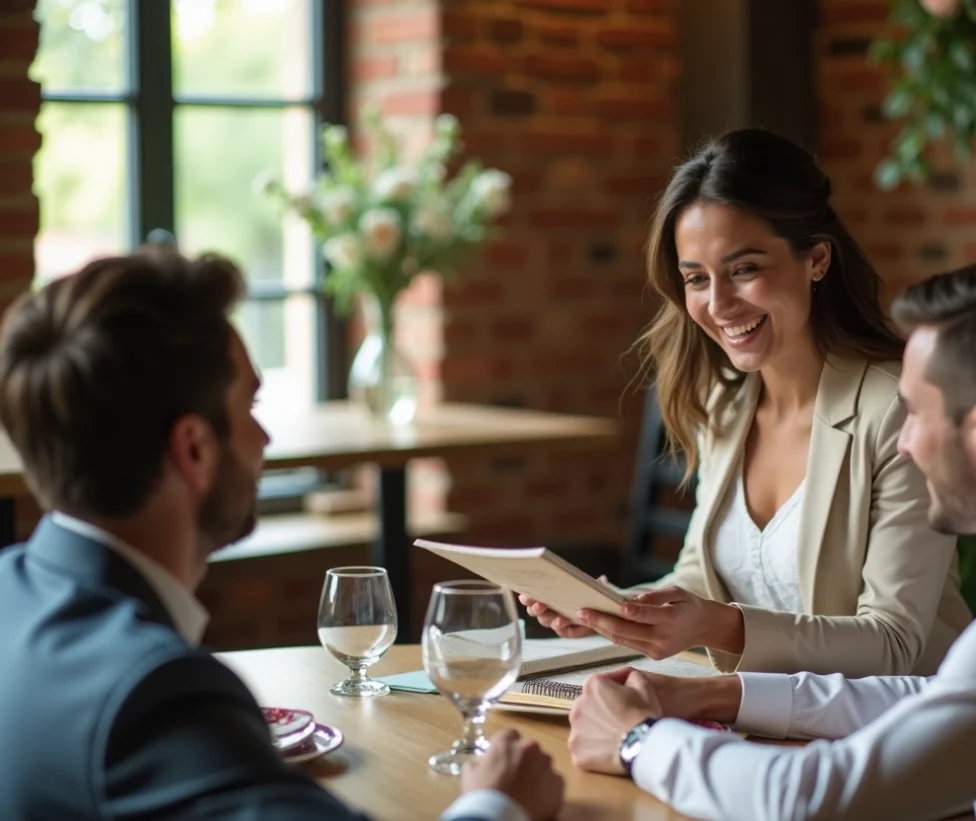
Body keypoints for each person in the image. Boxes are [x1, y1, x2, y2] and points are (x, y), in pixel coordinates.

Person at [565, 255, 976, 820]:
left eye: (917, 413)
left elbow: (810, 798)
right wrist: (723, 694)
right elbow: (948, 696)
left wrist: (639, 740)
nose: (902, 442)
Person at [0, 249, 563, 821]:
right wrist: (497, 803)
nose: (264, 436)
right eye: (250, 405)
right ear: (194, 448)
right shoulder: (156, 695)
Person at [523, 128, 971, 677]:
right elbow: (700, 577)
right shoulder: (725, 403)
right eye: (695, 279)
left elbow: (894, 642)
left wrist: (715, 625)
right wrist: (615, 613)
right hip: (764, 716)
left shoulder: (897, 408)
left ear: (817, 260)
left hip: (896, 730)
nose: (719, 304)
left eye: (745, 269)